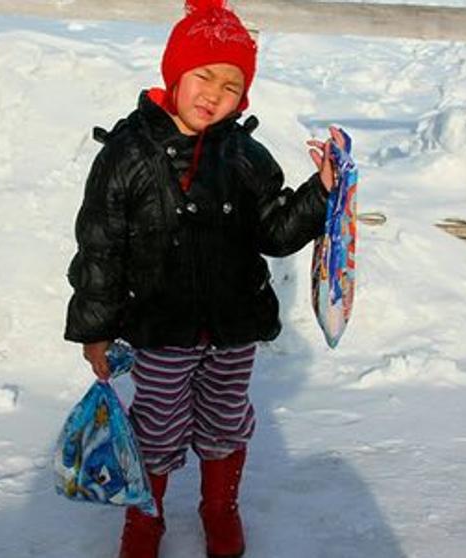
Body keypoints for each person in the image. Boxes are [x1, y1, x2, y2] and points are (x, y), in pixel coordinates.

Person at [63, 1, 341, 556]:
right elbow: (100, 249)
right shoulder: (127, 155)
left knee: (225, 421)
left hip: (233, 326)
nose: (215, 94)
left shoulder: (245, 155)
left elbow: (276, 232)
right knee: (158, 429)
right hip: (161, 326)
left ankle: (220, 507)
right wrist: (96, 330)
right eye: (205, 76)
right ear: (175, 72)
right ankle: (146, 516)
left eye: (232, 85)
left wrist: (321, 191)